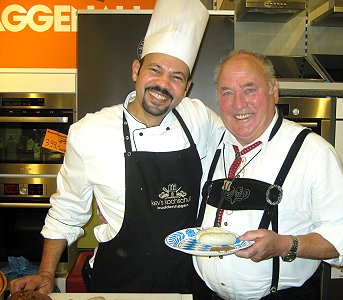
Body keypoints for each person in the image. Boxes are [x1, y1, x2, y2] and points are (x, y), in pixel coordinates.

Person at [10, 0, 220, 296]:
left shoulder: (199, 118)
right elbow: (67, 210)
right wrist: (46, 273)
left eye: (176, 77)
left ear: (186, 88)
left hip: (187, 280)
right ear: (136, 70)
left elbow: (241, 153)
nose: (163, 84)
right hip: (120, 280)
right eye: (155, 70)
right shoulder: (90, 132)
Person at [194, 50, 343, 300]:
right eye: (227, 92)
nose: (238, 103)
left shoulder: (313, 152)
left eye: (249, 89)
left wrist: (285, 244)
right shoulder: (210, 144)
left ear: (274, 90)